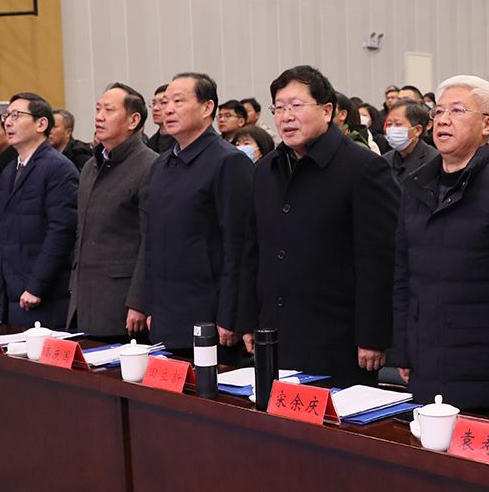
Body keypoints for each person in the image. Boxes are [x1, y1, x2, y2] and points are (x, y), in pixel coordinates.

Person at [390, 77, 489, 417]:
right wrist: (402, 348)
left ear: (488, 124)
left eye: (457, 111)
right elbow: (403, 277)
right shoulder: (415, 189)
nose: (443, 120)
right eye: (439, 111)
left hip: (486, 370)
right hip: (425, 362)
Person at [244, 65, 399, 386]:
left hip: (336, 336)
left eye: (296, 106)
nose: (286, 117)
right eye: (279, 108)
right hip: (274, 332)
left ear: (327, 111)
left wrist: (372, 336)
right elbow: (252, 251)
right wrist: (248, 320)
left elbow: (379, 260)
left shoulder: (363, 168)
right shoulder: (266, 170)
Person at [127, 73, 251, 348]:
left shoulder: (228, 162)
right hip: (166, 312)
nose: (168, 110)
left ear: (207, 107)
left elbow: (238, 248)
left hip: (209, 314)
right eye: (164, 102)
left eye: (178, 101)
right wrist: (149, 305)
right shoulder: (161, 165)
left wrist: (230, 316)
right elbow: (152, 242)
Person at [0, 93, 79, 329]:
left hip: (44, 294)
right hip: (10, 291)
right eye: (7, 116)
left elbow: (61, 232)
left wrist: (37, 286)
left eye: (16, 115)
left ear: (41, 124)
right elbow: (0, 231)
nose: (8, 122)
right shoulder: (9, 171)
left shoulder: (58, 169)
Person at [70, 83, 155, 339]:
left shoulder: (150, 165)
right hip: (84, 296)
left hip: (122, 301)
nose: (99, 117)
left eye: (108, 110)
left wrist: (139, 301)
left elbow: (151, 241)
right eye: (98, 109)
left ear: (133, 120)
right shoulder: (91, 166)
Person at [382, 100, 437, 179]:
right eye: (389, 124)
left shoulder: (433, 160)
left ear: (417, 130)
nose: (392, 129)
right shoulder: (385, 160)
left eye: (398, 124)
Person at [145, 84, 176, 153]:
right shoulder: (150, 144)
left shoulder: (182, 142)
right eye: (154, 103)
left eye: (163, 102)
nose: (155, 108)